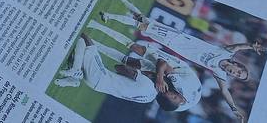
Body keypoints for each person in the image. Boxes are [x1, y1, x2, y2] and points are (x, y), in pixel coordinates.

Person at [98, 0, 266, 120]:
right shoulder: (225, 53)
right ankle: (109, 15)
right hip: (180, 38)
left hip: (175, 46)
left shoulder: (219, 73)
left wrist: (234, 108)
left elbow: (225, 92)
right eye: (238, 72)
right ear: (238, 66)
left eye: (237, 76)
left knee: (144, 21)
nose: (234, 73)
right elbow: (239, 47)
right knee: (144, 25)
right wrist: (252, 46)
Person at [54, 33, 189, 112]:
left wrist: (142, 73)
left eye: (174, 97)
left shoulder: (148, 84)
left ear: (165, 98)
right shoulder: (147, 99)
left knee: (84, 39)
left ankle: (76, 72)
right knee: (80, 54)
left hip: (99, 76)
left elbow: (119, 67)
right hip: (97, 85)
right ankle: (75, 79)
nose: (175, 93)